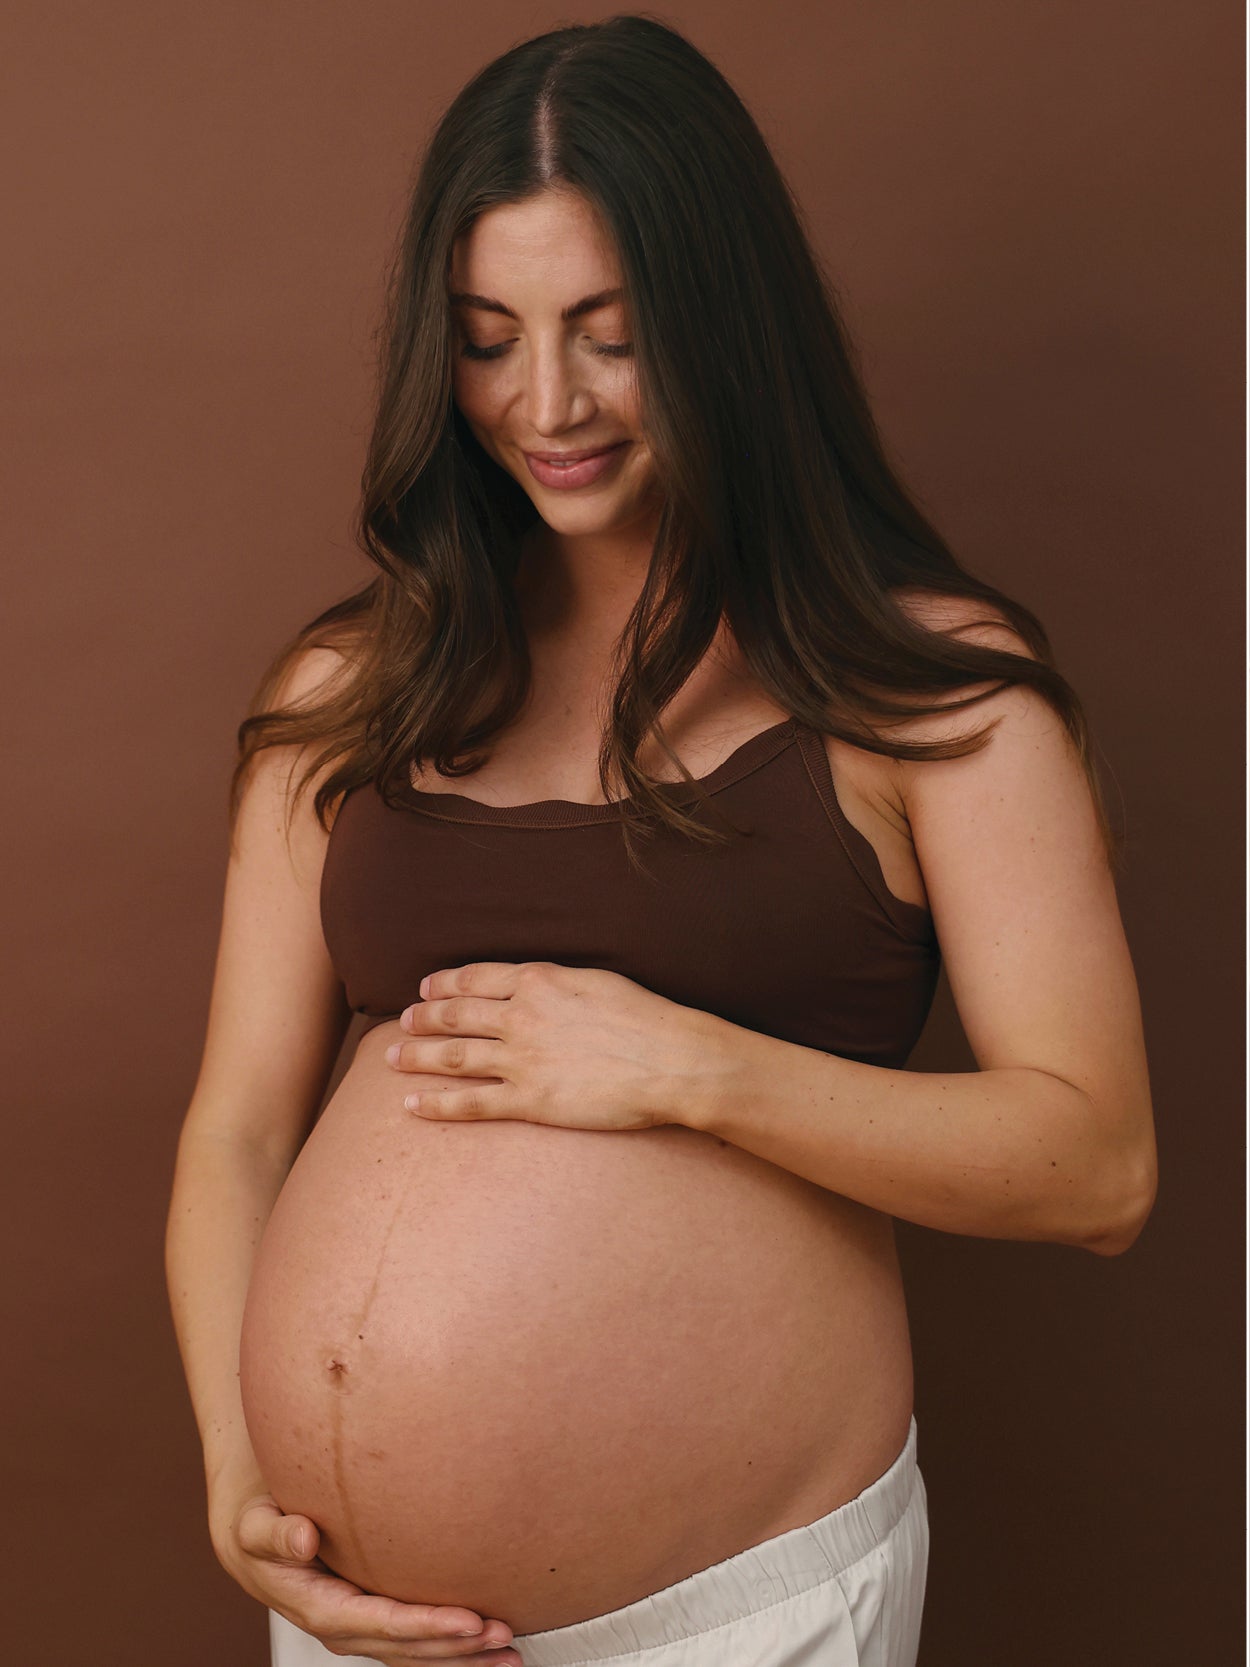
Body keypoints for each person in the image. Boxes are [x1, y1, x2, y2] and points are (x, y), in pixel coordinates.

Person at [165, 16, 1157, 1667]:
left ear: (723, 329)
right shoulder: (354, 686)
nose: (542, 402)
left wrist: (690, 1069)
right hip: (356, 1620)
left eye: (608, 338)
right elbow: (237, 1138)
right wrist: (237, 1471)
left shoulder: (925, 694)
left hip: (735, 1612)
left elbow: (1096, 1165)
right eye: (486, 338)